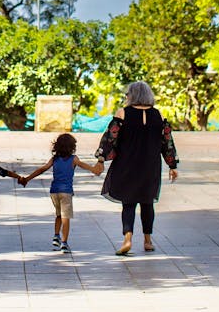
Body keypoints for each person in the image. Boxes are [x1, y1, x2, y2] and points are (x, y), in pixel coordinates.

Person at [93, 81, 178, 256]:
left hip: (127, 164)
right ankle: (148, 241)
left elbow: (110, 138)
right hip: (150, 166)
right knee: (147, 202)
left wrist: (101, 158)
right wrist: (172, 165)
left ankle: (127, 239)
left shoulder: (123, 113)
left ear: (132, 95)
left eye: (127, 94)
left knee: (129, 203)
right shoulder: (158, 115)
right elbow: (167, 141)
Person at [20, 132, 101, 253]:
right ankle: (64, 243)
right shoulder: (74, 158)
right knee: (66, 217)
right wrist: (94, 169)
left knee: (58, 215)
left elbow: (42, 169)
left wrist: (27, 179)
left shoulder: (54, 159)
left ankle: (56, 236)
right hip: (66, 192)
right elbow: (83, 165)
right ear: (72, 147)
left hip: (54, 191)